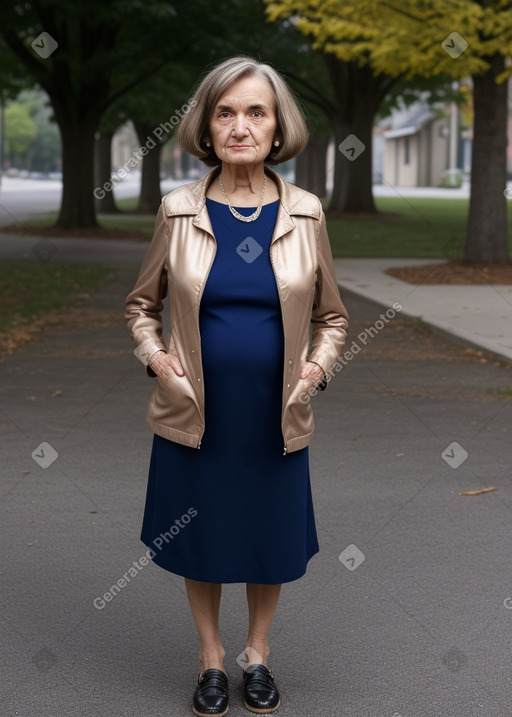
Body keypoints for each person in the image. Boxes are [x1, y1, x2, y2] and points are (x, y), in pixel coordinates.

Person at [125, 55, 349, 717]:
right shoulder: (178, 209)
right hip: (198, 412)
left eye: (256, 111)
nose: (240, 125)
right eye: (225, 112)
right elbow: (141, 304)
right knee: (203, 533)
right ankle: (211, 659)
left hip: (274, 413)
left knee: (266, 535)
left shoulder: (306, 212)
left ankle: (257, 653)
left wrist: (318, 366)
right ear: (206, 124)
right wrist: (155, 353)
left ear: (278, 126)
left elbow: (333, 315)